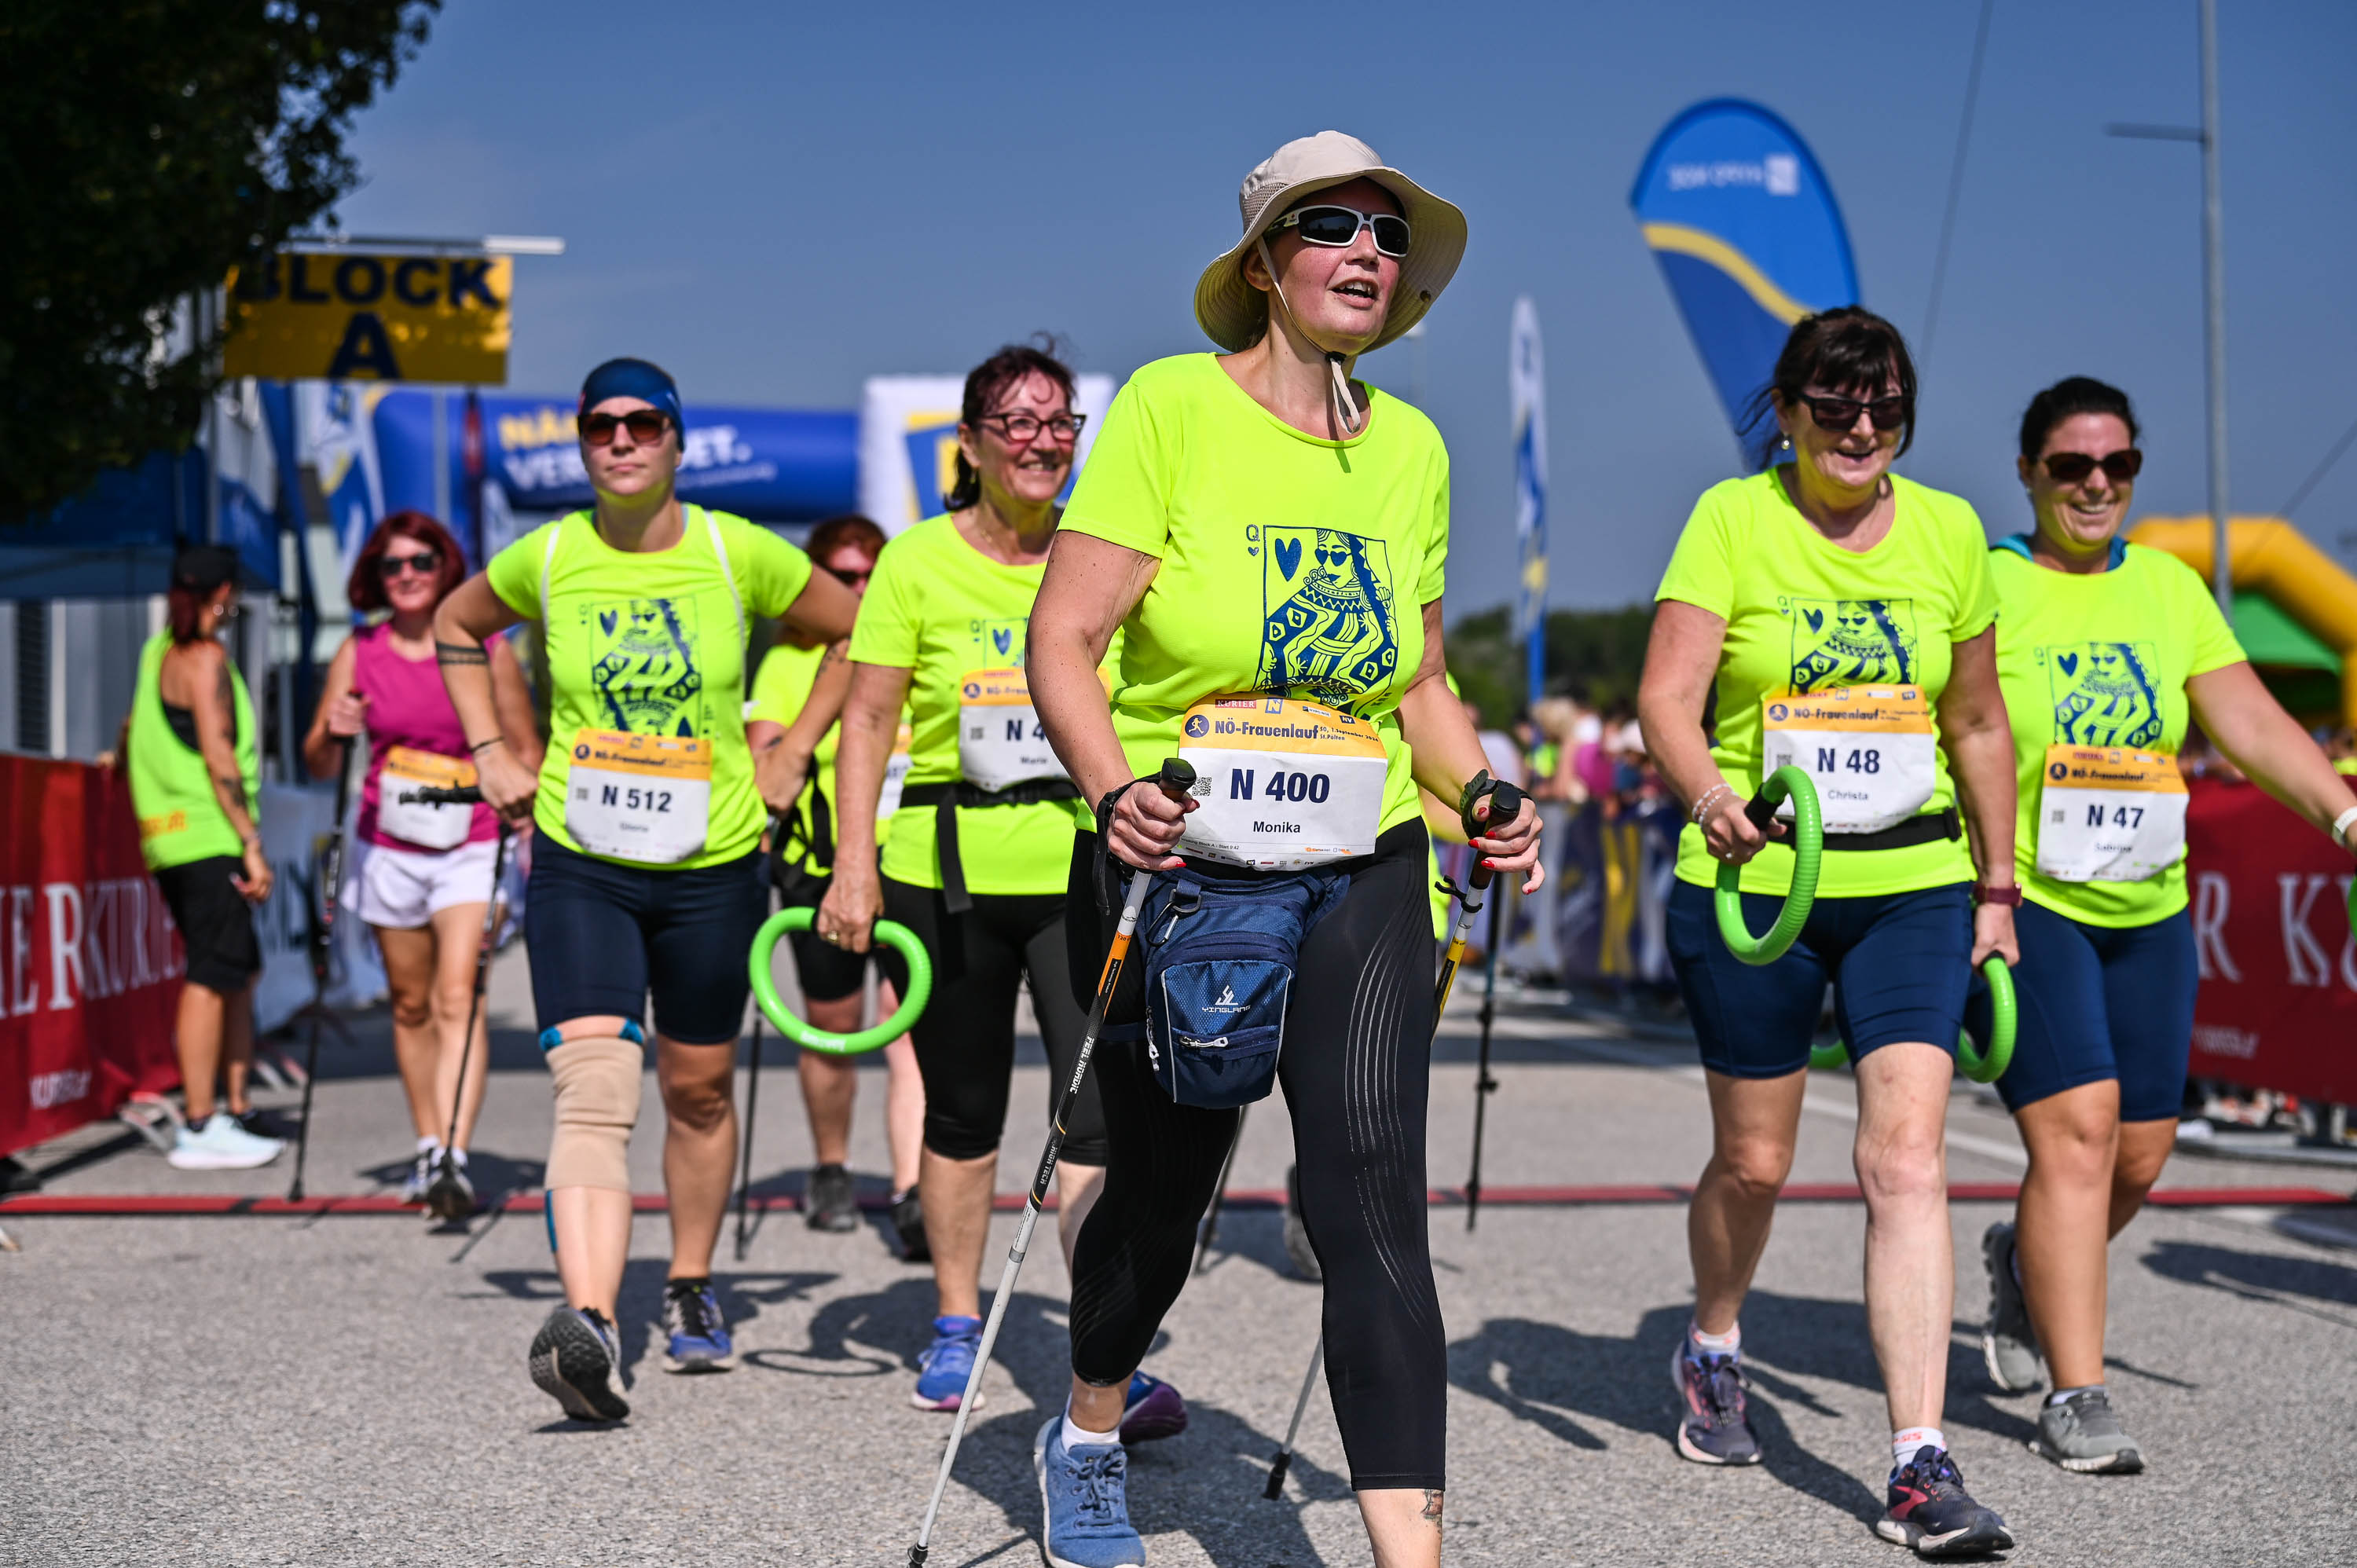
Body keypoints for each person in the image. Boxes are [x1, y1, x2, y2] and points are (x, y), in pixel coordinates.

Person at [1024, 132, 1541, 1568]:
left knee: (1368, 1194)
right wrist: (1114, 791)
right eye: (1332, 227)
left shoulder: (1414, 451)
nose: (1368, 251)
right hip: (1180, 857)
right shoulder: (1171, 408)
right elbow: (1062, 639)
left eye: (1390, 232)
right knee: (1166, 1194)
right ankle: (1088, 1427)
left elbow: (1417, 684)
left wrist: (1482, 792)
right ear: (1263, 264)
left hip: (1362, 856)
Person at [1637, 307, 2022, 1556]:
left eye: (1885, 407)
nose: (1862, 429)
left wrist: (2000, 890)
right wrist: (1712, 799)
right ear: (1790, 411)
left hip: (1913, 880)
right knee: (1755, 1161)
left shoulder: (1951, 531)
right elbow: (1666, 699)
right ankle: (1713, 1339)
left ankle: (1919, 1460)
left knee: (1905, 1161)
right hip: (1757, 882)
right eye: (1836, 406)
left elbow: (1977, 721)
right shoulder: (1732, 519)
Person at [433, 357, 859, 1420]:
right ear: (583, 441)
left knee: (698, 1090)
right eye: (600, 426)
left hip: (713, 864)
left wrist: (794, 749)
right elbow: (454, 625)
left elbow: (859, 627)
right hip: (584, 859)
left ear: (675, 439)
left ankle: (691, 1281)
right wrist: (489, 749)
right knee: (594, 1085)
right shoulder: (549, 555)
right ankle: (591, 1325)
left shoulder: (734, 549)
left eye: (643, 423)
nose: (621, 441)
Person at [1976, 376, 2357, 1472]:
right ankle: (2077, 1394)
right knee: (2080, 1129)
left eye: (2119, 465)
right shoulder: (1987, 581)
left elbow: (2251, 724)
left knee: (2139, 1158)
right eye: (2071, 465)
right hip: (2031, 898)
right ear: (2028, 473)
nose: (2096, 484)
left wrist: (2345, 814)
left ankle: (2023, 1260)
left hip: (2147, 905)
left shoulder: (2171, 588)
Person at [815, 342, 1189, 1442]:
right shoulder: (915, 562)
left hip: (1082, 864)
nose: (1041, 441)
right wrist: (851, 864)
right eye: (1016, 422)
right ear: (970, 444)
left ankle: (1102, 1352)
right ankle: (953, 1321)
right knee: (962, 1108)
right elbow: (868, 719)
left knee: (1098, 1120)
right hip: (947, 873)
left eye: (1059, 421)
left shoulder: (1104, 552)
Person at [302, 512, 541, 1209]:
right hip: (389, 846)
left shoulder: (486, 647)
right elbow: (320, 762)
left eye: (421, 562)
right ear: (374, 576)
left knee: (458, 996)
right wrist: (333, 730)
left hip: (471, 842)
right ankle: (427, 1142)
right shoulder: (360, 650)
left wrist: (529, 821)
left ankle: (452, 1157)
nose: (406, 575)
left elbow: (525, 746)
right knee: (410, 1005)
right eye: (392, 565)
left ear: (446, 568)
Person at [743, 513, 926, 1250]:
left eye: (871, 574)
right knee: (833, 1028)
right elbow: (765, 764)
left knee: (908, 1026)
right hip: (821, 869)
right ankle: (831, 1165)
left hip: (909, 863)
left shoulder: (912, 645)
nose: (859, 588)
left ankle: (912, 1188)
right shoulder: (791, 661)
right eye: (844, 576)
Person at [121, 544, 280, 1170]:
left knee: (237, 969)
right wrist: (252, 843)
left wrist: (117, 758)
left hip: (169, 836)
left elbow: (133, 727)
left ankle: (232, 1106)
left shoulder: (155, 652)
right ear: (224, 595)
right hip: (209, 834)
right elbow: (219, 757)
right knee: (212, 975)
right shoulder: (205, 658)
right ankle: (199, 1121)